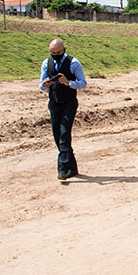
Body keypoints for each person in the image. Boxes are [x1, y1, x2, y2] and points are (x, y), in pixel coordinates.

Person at [39, 39, 87, 181]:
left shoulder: (74, 63)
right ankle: (72, 167)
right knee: (57, 135)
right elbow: (41, 85)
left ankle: (63, 169)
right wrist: (44, 85)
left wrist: (69, 83)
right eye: (52, 53)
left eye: (58, 53)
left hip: (69, 103)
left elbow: (83, 83)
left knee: (64, 134)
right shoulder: (46, 63)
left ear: (64, 50)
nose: (55, 55)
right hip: (54, 103)